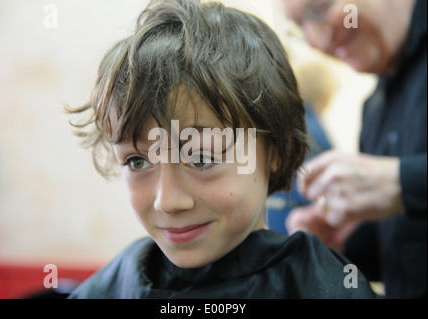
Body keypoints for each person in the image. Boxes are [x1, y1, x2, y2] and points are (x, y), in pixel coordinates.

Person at [65, 0, 378, 299]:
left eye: (200, 158)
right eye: (136, 162)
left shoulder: (322, 284)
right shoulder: (118, 282)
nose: (168, 201)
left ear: (276, 152)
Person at [281, 0, 427, 298]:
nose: (318, 41)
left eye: (320, 7)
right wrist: (339, 244)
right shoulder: (374, 112)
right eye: (300, 27)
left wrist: (402, 182)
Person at [266, 61, 334, 235]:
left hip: (273, 217)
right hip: (298, 221)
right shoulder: (312, 131)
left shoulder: (285, 123)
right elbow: (316, 189)